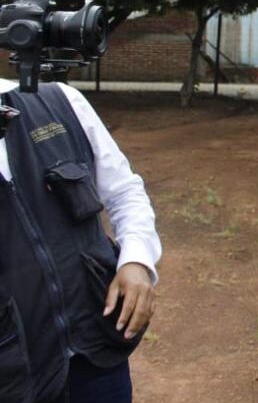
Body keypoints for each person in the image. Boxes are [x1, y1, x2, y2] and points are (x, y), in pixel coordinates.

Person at [0, 78, 161, 403]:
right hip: (14, 374)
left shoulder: (60, 101)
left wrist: (137, 261)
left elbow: (124, 191)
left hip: (96, 356)